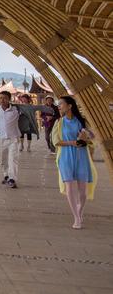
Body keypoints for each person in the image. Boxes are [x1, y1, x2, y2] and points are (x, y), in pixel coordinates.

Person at [0, 87, 53, 188]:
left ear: (9, 99)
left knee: (13, 159)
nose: (2, 100)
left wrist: (51, 110)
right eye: (0, 98)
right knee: (3, 159)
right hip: (1, 139)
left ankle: (12, 179)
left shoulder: (17, 108)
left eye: (4, 98)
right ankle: (6, 175)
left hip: (14, 138)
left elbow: (34, 108)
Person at [52, 96, 97, 229]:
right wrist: (73, 142)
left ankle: (80, 210)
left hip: (81, 156)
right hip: (65, 156)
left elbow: (92, 138)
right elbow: (56, 142)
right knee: (69, 187)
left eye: (61, 104)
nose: (59, 106)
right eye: (58, 104)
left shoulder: (81, 121)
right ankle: (76, 217)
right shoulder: (59, 122)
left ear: (70, 105)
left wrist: (86, 137)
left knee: (82, 190)